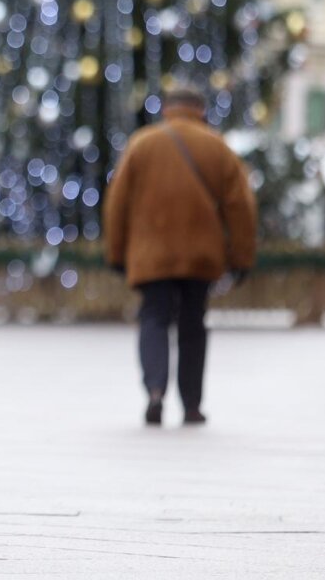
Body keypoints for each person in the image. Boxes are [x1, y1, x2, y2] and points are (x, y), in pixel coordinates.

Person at [104, 83, 257, 427]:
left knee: (154, 318)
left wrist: (116, 252)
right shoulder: (218, 147)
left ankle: (155, 391)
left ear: (165, 110)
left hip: (151, 253)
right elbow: (241, 208)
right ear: (201, 111)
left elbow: (117, 204)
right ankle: (191, 404)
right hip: (200, 254)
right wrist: (242, 257)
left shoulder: (142, 143)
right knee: (193, 325)